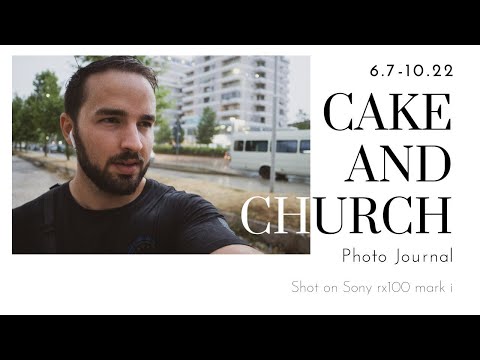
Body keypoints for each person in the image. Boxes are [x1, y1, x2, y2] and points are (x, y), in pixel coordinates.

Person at [13, 56, 261, 254]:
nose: (135, 143)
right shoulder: (19, 228)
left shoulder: (183, 214)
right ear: (70, 129)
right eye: (111, 120)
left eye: (144, 124)